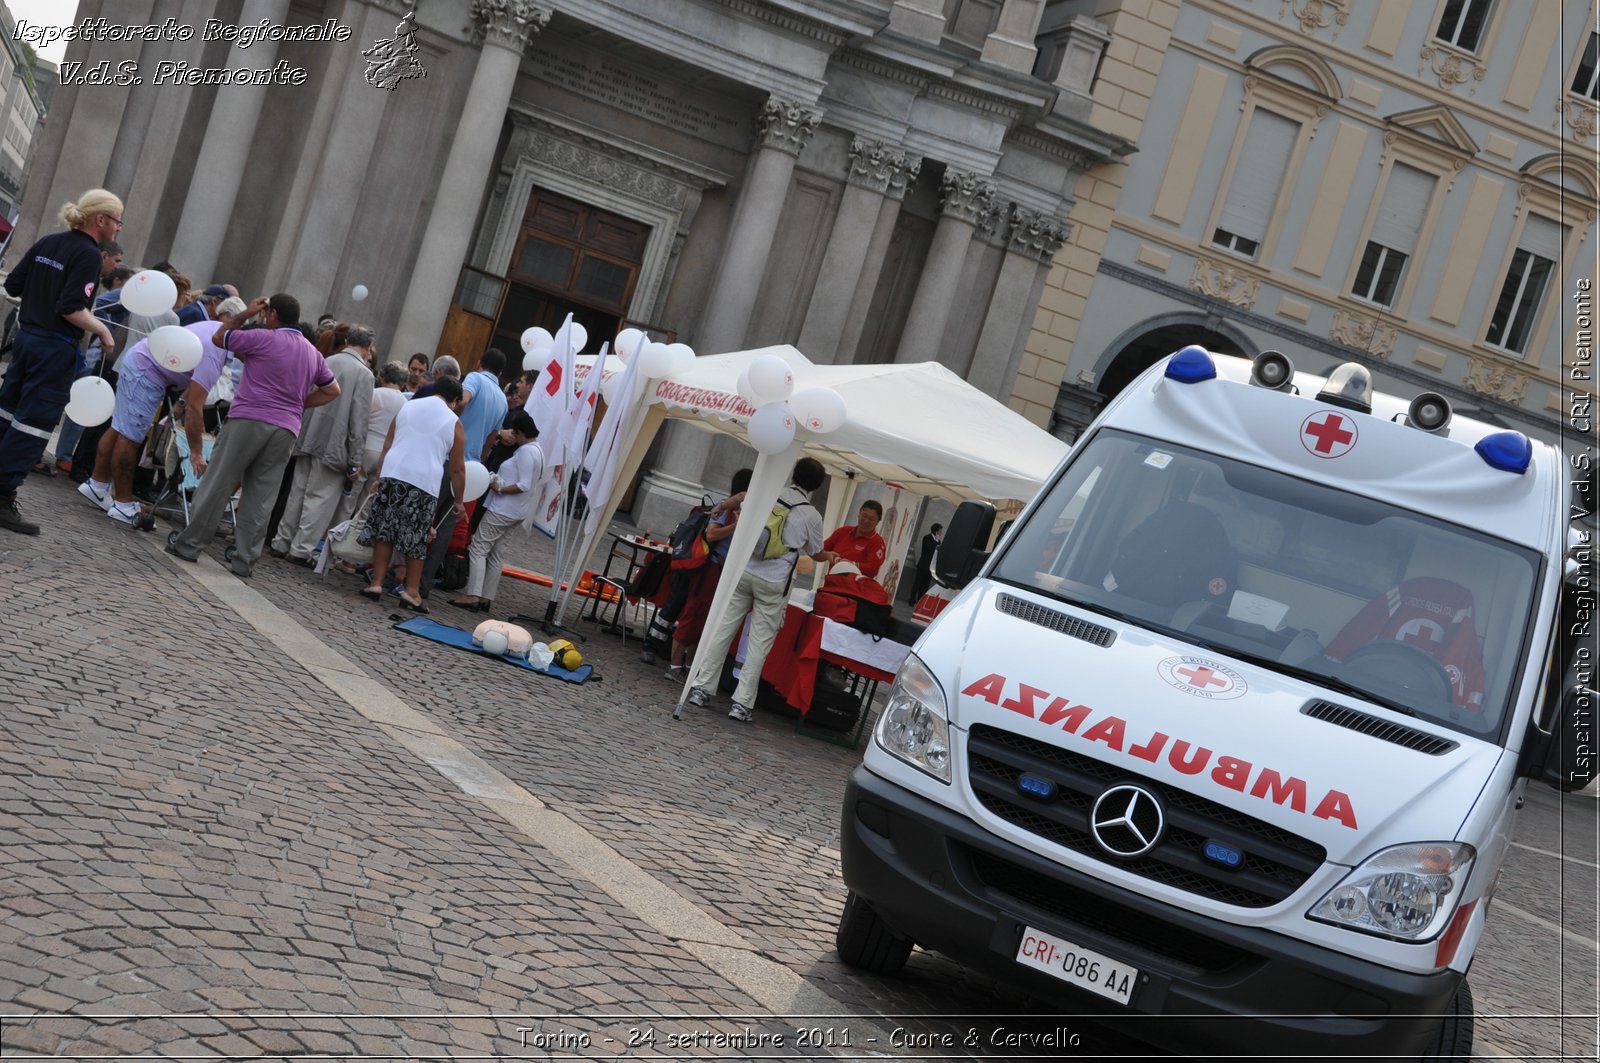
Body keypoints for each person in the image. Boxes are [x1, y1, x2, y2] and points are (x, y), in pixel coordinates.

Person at [164, 294, 339, 577]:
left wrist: (245, 313)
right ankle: (244, 560)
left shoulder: (262, 338)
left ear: (272, 315)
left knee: (219, 481)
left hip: (249, 418)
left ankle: (189, 544)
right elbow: (333, 390)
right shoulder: (312, 353)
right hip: (286, 428)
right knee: (261, 496)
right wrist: (298, 403)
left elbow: (220, 337)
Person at [0, 189, 121, 535]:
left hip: (27, 339)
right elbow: (70, 307)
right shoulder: (88, 254)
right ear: (100, 220)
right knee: (34, 422)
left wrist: (40, 299)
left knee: (7, 411)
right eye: (116, 220)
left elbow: (15, 283)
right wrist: (103, 330)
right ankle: (3, 494)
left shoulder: (49, 242)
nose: (118, 227)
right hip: (54, 347)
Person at [686, 456, 828, 722]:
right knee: (759, 643)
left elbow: (741, 496)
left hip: (746, 569)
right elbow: (815, 552)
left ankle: (701, 688)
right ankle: (741, 703)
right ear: (816, 486)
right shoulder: (811, 515)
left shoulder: (770, 493)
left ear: (794, 473)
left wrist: (721, 507)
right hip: (775, 580)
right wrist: (829, 556)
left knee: (723, 628)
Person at [80, 298, 246, 524]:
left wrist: (177, 408)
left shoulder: (221, 331)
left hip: (141, 363)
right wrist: (196, 452)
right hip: (146, 372)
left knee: (120, 428)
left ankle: (97, 485)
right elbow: (196, 409)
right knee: (130, 438)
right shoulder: (215, 353)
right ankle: (123, 503)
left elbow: (192, 387)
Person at [359, 376, 467, 612]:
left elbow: (387, 445)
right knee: (416, 539)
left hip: (394, 472)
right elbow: (457, 468)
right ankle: (412, 592)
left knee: (384, 531)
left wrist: (379, 477)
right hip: (423, 481)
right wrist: (459, 500)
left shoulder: (407, 406)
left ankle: (376, 583)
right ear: (455, 400)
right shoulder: (453, 421)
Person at [270, 324, 377, 564]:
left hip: (308, 433)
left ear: (348, 340)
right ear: (368, 347)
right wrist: (355, 458)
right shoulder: (364, 374)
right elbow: (358, 420)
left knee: (298, 491)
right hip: (335, 443)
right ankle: (301, 549)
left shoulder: (327, 359)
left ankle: (282, 540)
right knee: (319, 498)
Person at [664, 467, 752, 683]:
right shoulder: (728, 507)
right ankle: (675, 666)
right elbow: (711, 534)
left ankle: (690, 667)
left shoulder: (741, 508)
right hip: (711, 568)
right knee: (693, 615)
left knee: (706, 621)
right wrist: (735, 526)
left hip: (724, 571)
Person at [44, 266, 133, 477]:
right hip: (96, 352)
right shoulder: (129, 292)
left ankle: (63, 454)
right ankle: (63, 455)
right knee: (77, 402)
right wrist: (105, 329)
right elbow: (98, 305)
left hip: (99, 352)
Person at [450, 410, 543, 613]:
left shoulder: (527, 451)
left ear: (521, 433)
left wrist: (499, 488)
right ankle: (485, 596)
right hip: (516, 511)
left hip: (504, 509)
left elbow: (524, 484)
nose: (514, 438)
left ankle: (473, 594)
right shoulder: (537, 450)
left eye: (515, 434)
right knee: (496, 553)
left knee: (478, 548)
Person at [330, 361, 407, 529]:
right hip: (386, 455)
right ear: (403, 382)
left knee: (349, 498)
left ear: (382, 377)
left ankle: (336, 533)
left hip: (365, 449)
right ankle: (354, 540)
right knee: (367, 502)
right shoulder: (406, 404)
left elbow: (359, 420)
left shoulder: (374, 394)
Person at [459, 348, 508, 462]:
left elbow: (463, 401)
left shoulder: (475, 377)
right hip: (473, 463)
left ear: (478, 363)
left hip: (451, 455)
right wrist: (481, 460)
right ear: (500, 374)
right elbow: (492, 438)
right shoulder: (503, 400)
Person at [820, 499, 888, 579]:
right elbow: (818, 551)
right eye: (864, 516)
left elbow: (873, 570)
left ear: (878, 521)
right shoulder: (843, 531)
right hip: (830, 585)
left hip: (855, 589)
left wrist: (852, 564)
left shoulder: (877, 542)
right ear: (859, 513)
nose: (866, 521)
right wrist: (827, 555)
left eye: (871, 519)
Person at [911, 522, 943, 603]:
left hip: (930, 567)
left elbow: (938, 552)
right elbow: (930, 549)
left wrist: (938, 542)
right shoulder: (927, 538)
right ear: (936, 531)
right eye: (940, 531)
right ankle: (911, 600)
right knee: (917, 583)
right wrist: (936, 543)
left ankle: (919, 601)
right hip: (923, 565)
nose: (941, 533)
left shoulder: (938, 541)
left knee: (925, 585)